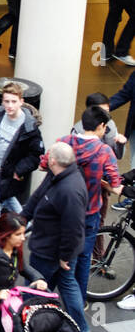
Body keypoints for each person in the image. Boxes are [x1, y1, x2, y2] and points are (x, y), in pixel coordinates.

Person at [40, 106, 123, 309]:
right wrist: (103, 184)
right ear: (101, 126)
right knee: (83, 258)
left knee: (55, 254)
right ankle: (78, 303)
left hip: (60, 209)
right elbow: (116, 187)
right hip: (89, 212)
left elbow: (43, 163)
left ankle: (43, 299)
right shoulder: (104, 151)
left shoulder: (64, 142)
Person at [21, 141, 89, 332]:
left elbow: (73, 227)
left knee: (34, 287)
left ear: (52, 161)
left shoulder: (70, 190)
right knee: (68, 285)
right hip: (58, 248)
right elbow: (38, 195)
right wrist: (23, 218)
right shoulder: (59, 175)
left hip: (51, 250)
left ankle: (26, 324)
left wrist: (64, 256)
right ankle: (81, 329)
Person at [0, 79, 44, 244]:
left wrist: (18, 170)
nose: (10, 105)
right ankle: (30, 224)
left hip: (9, 173)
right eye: (6, 101)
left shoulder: (29, 127)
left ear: (21, 101)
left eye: (14, 101)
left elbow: (36, 155)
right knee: (8, 199)